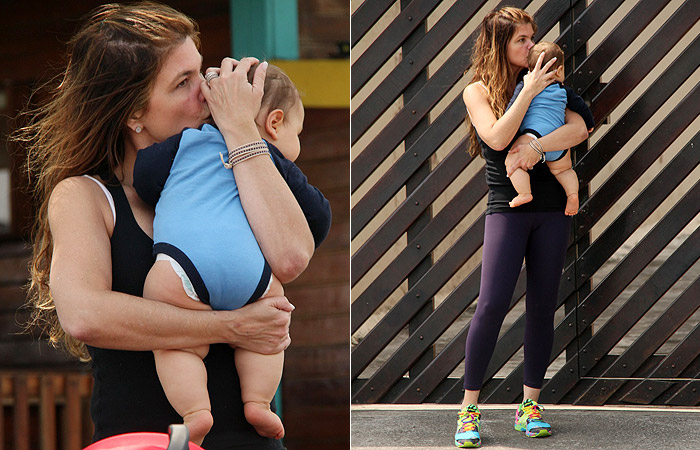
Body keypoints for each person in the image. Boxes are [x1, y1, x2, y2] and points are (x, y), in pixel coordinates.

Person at [13, 3, 313, 449]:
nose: (207, 91)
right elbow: (85, 315)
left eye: (203, 73)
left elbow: (291, 257)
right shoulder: (85, 196)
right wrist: (233, 326)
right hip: (145, 441)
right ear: (134, 113)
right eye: (183, 83)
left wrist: (241, 132)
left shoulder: (242, 168)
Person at [133, 64, 331, 444]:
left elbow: (144, 181)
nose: (297, 144)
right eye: (297, 132)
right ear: (275, 123)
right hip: (252, 277)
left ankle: (195, 411)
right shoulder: (270, 161)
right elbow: (318, 217)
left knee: (173, 340)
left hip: (182, 269)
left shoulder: (187, 141)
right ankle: (258, 402)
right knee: (268, 331)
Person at [456, 6, 591, 448]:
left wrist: (535, 146)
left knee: (542, 305)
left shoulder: (552, 78)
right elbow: (496, 138)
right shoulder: (478, 91)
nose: (532, 46)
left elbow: (579, 129)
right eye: (522, 40)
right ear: (500, 45)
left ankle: (529, 405)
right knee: (492, 305)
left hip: (553, 211)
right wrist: (528, 91)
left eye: (532, 38)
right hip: (507, 209)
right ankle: (468, 411)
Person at [505, 41, 595, 214]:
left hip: (534, 135)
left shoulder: (525, 87)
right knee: (564, 170)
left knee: (512, 161)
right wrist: (589, 123)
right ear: (559, 71)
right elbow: (581, 107)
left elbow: (512, 110)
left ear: (530, 71)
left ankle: (524, 193)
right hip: (558, 142)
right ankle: (572, 195)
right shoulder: (563, 90)